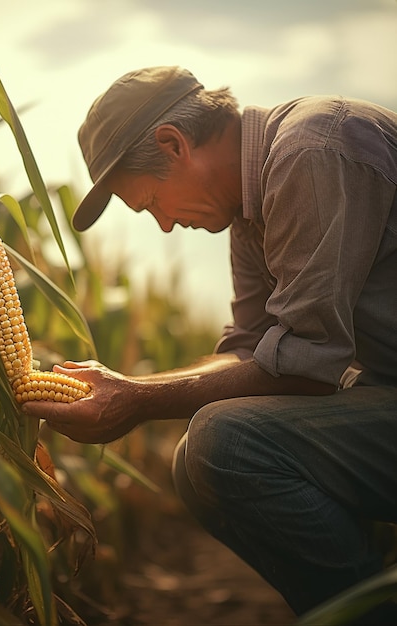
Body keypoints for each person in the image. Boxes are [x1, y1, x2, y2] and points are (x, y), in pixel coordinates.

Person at [22, 65, 397, 619]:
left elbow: (307, 363)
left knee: (227, 445)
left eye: (151, 203)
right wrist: (123, 388)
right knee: (194, 467)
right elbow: (249, 348)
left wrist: (137, 399)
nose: (166, 226)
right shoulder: (250, 212)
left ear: (173, 145)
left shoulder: (312, 152)